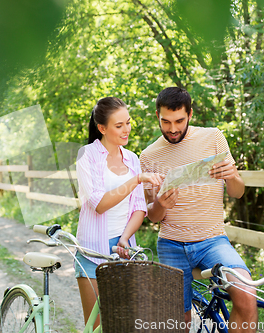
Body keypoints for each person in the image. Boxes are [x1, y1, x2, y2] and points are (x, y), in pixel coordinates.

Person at [140, 87, 258, 332]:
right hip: (171, 243)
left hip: (213, 241)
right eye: (166, 122)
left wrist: (233, 177)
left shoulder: (213, 137)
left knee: (246, 293)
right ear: (157, 116)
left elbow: (237, 192)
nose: (173, 129)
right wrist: (160, 204)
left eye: (179, 121)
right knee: (178, 322)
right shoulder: (148, 156)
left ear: (190, 114)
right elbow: (152, 217)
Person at [75, 97, 164, 326]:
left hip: (124, 248)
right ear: (102, 128)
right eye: (119, 125)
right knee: (96, 324)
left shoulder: (132, 158)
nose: (126, 130)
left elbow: (139, 207)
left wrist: (125, 238)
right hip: (91, 250)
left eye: (128, 122)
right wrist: (135, 180)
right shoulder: (87, 156)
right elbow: (100, 203)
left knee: (125, 323)